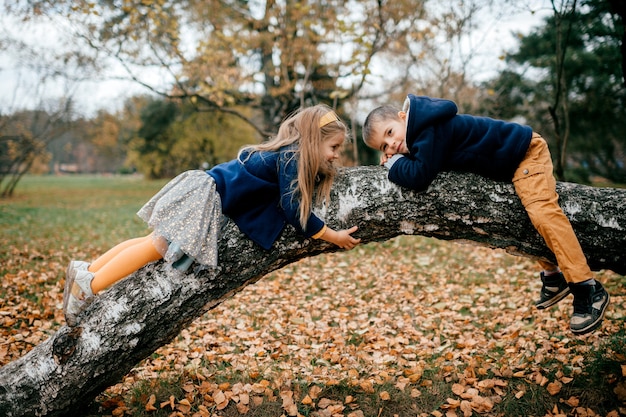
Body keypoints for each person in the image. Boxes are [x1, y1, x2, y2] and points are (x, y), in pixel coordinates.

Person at [63, 105, 361, 326]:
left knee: (152, 240)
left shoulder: (287, 154)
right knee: (158, 246)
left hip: (204, 188)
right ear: (312, 140)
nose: (335, 154)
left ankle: (87, 269)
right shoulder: (291, 157)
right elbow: (294, 209)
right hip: (206, 195)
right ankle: (90, 286)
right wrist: (331, 235)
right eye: (333, 147)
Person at [362, 94, 609, 335]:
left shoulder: (428, 128)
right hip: (508, 165)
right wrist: (401, 158)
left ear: (403, 117)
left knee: (543, 212)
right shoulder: (422, 135)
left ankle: (587, 287)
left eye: (390, 133)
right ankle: (554, 275)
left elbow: (419, 175)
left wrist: (393, 165)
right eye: (383, 146)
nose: (391, 145)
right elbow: (423, 163)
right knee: (522, 217)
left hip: (524, 152)